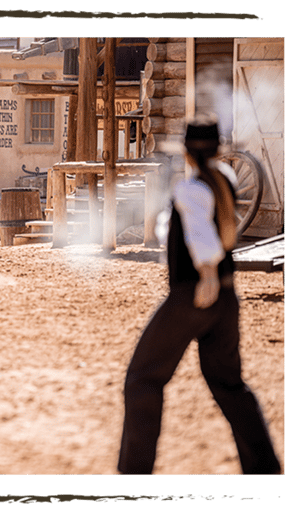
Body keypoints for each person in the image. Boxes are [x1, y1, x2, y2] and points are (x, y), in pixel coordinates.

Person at [118, 117, 281, 475]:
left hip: (195, 295)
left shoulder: (191, 189)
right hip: (226, 298)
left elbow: (199, 237)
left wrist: (206, 274)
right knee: (229, 385)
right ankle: (265, 470)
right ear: (219, 151)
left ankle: (134, 475)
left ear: (188, 152)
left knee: (142, 378)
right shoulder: (226, 178)